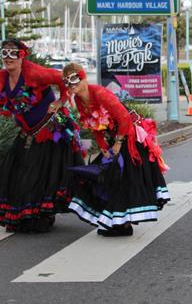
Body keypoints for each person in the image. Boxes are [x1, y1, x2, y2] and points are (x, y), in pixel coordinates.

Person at [63, 63, 170, 237]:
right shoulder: (78, 100)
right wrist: (103, 146)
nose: (71, 84)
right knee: (108, 179)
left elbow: (125, 118)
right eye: (67, 81)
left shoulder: (99, 93)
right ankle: (117, 223)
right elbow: (93, 124)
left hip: (130, 136)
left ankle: (123, 224)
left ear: (83, 78)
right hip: (115, 137)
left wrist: (118, 143)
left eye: (74, 78)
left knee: (123, 180)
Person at [0, 39, 84, 233]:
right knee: (17, 172)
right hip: (27, 132)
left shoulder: (35, 73)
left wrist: (61, 101)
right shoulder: (3, 78)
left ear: (22, 56)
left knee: (40, 173)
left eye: (13, 53)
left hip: (50, 130)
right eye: (4, 53)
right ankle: (23, 215)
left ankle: (39, 216)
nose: (8, 58)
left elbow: (64, 79)